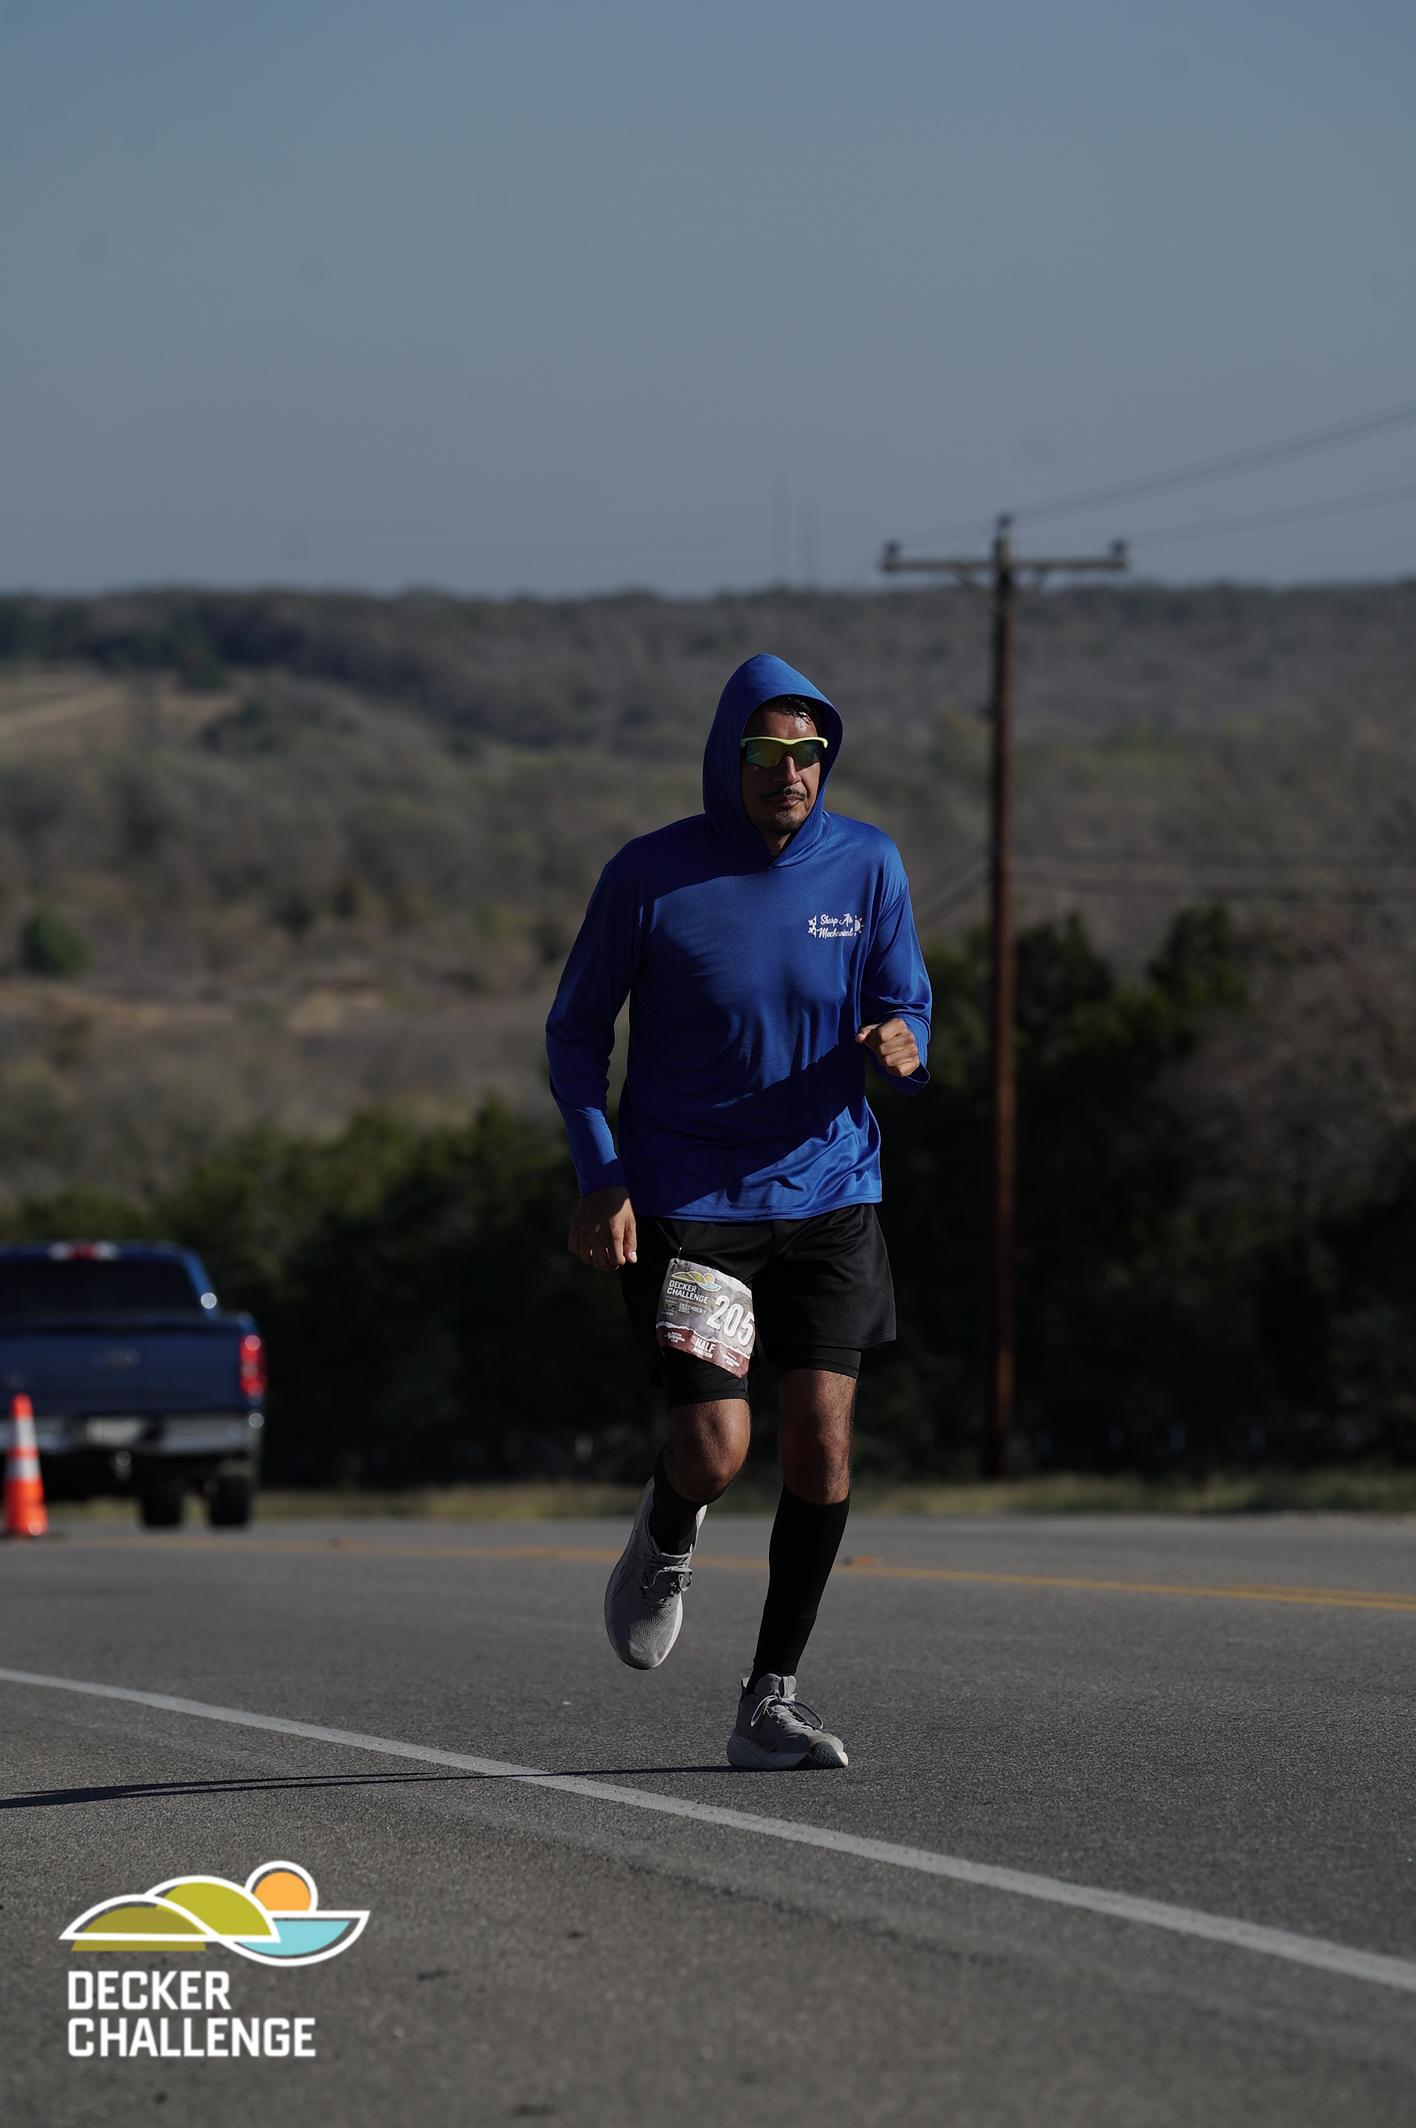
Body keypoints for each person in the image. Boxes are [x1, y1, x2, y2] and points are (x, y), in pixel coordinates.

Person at [545, 652, 931, 1770]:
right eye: (766, 753)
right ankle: (668, 1526)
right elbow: (576, 1034)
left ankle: (771, 1700)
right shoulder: (649, 876)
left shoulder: (868, 864)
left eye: (808, 754)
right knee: (716, 1448)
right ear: (729, 758)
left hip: (831, 1191)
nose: (790, 774)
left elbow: (906, 1001)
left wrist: (906, 1044)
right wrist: (602, 1173)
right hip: (691, 1202)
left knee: (822, 1446)